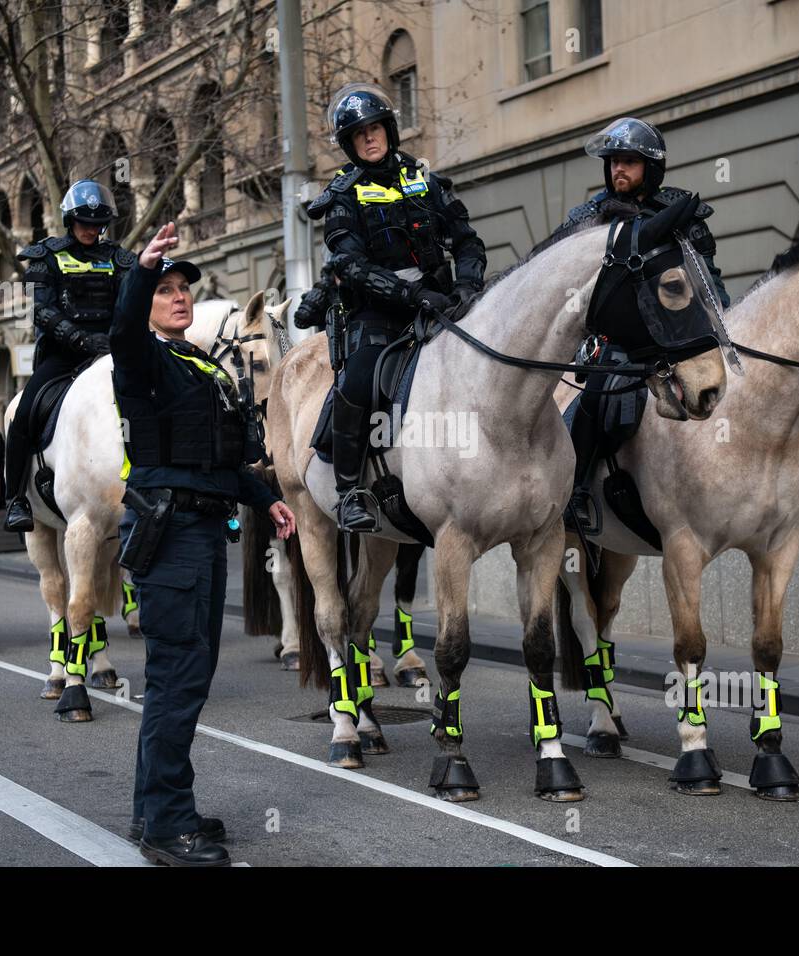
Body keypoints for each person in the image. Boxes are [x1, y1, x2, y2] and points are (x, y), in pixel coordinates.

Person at [113, 221, 296, 867]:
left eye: (183, 287)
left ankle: (154, 808)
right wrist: (139, 273)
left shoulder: (199, 364)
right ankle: (167, 826)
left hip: (201, 527)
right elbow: (122, 331)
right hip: (171, 535)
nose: (179, 295)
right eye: (165, 290)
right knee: (177, 680)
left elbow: (215, 457)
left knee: (184, 677)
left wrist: (262, 496)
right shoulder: (143, 359)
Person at [301, 82, 487, 532]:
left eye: (375, 128)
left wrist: (466, 285)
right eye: (359, 133)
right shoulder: (344, 193)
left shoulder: (424, 179)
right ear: (349, 143)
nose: (369, 137)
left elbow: (466, 239)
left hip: (442, 305)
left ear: (388, 129)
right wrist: (411, 295)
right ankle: (348, 493)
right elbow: (349, 264)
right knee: (360, 380)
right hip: (378, 314)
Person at [553, 117, 731, 527]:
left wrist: (720, 320)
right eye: (614, 161)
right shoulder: (590, 218)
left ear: (650, 168)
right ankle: (575, 494)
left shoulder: (682, 214)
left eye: (629, 161)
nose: (619, 169)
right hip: (617, 340)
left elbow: (708, 279)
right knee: (598, 398)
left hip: (681, 336)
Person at [4, 179, 136, 531]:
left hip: (114, 353)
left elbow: (131, 305)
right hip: (63, 358)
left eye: (97, 224)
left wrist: (116, 339)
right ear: (69, 220)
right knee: (24, 412)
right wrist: (81, 340)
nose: (91, 230)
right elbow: (40, 310)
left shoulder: (120, 259)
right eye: (84, 223)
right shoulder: (44, 255)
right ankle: (16, 498)